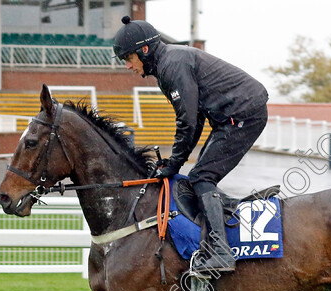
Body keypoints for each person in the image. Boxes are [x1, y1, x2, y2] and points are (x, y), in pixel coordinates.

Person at [113, 16, 269, 273]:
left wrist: (174, 164)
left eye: (127, 59)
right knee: (199, 176)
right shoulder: (168, 63)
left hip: (242, 114)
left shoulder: (172, 65)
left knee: (202, 178)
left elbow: (187, 120)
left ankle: (221, 251)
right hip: (232, 116)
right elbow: (194, 120)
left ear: (144, 50)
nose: (127, 66)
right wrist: (174, 162)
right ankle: (222, 224)